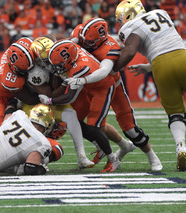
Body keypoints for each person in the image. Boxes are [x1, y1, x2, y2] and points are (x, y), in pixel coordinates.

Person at [69, 17, 162, 171]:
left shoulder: (110, 47)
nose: (86, 44)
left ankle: (152, 156)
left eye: (90, 42)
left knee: (129, 128)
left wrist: (82, 80)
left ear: (101, 38)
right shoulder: (82, 33)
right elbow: (69, 44)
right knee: (80, 122)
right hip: (88, 87)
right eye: (84, 40)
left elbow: (105, 72)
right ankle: (124, 146)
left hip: (110, 85)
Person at [113, 0, 186, 171]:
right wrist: (147, 67)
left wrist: (113, 69)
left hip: (160, 65)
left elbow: (131, 51)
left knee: (175, 113)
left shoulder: (130, 26)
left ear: (128, 15)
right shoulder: (161, 13)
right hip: (182, 56)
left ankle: (181, 146)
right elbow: (168, 46)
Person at [40, 40, 120, 172]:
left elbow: (70, 97)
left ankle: (113, 159)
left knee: (94, 126)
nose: (57, 67)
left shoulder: (79, 68)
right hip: (87, 87)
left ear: (68, 60)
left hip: (102, 88)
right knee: (77, 122)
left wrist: (49, 100)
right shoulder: (71, 49)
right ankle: (101, 148)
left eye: (59, 64)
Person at [25, 36, 94, 169]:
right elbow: (48, 96)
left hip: (49, 100)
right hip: (34, 102)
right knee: (39, 121)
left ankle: (82, 157)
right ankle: (30, 157)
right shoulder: (36, 72)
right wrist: (63, 80)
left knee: (71, 114)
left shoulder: (54, 58)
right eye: (46, 60)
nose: (51, 61)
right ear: (38, 60)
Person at [0, 37, 39, 131]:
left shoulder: (23, 45)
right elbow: (30, 99)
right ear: (14, 68)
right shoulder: (9, 79)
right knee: (3, 134)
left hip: (11, 94)